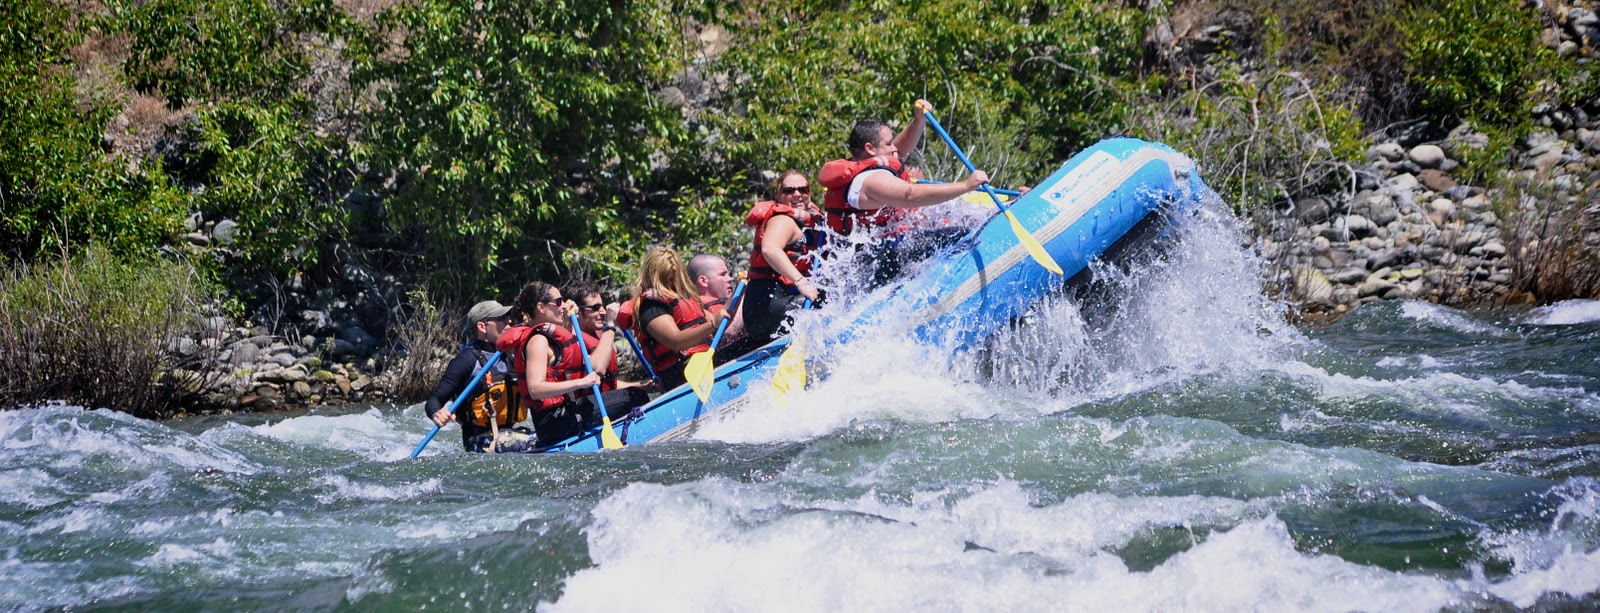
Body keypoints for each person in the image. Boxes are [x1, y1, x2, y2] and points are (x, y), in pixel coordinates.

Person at [819, 100, 990, 285]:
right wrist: (966, 186)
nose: (894, 148)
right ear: (870, 148)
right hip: (872, 261)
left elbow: (899, 150)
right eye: (889, 143)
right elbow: (910, 196)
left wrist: (918, 120)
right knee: (960, 234)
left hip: (877, 252)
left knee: (955, 219)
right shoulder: (871, 180)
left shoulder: (868, 167)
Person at [497, 281, 647, 447]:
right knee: (635, 396)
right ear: (541, 307)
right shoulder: (537, 341)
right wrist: (582, 382)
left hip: (562, 414)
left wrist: (569, 322)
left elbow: (567, 363)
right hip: (554, 421)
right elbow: (535, 389)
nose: (563, 306)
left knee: (635, 393)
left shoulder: (551, 337)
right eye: (559, 302)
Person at [725, 170, 823, 355]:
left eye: (802, 189)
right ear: (778, 195)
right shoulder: (782, 219)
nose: (797, 194)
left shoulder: (807, 219)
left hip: (775, 302)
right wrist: (801, 282)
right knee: (828, 300)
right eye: (789, 190)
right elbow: (770, 249)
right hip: (767, 307)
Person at [423, 300, 530, 453]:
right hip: (479, 442)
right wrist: (436, 412)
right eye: (501, 318)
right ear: (482, 326)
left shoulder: (511, 356)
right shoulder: (466, 361)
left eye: (508, 317)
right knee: (533, 442)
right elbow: (433, 400)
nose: (509, 321)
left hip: (511, 434)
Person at [621, 248, 728, 390]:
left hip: (703, 361)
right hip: (679, 374)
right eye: (667, 280)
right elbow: (675, 341)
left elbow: (718, 318)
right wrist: (713, 324)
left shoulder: (685, 298)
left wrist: (743, 288)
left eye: (673, 279)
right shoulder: (651, 307)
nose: (671, 285)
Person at [567, 282, 653, 393]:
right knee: (635, 396)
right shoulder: (572, 340)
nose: (603, 312)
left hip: (605, 398)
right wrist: (610, 324)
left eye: (601, 306)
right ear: (577, 312)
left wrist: (639, 386)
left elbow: (609, 383)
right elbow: (598, 369)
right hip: (586, 404)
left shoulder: (598, 336)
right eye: (595, 308)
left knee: (637, 393)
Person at [687, 253, 744, 350]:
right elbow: (729, 332)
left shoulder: (715, 303)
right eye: (723, 274)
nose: (729, 279)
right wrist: (744, 294)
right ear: (703, 281)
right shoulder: (701, 308)